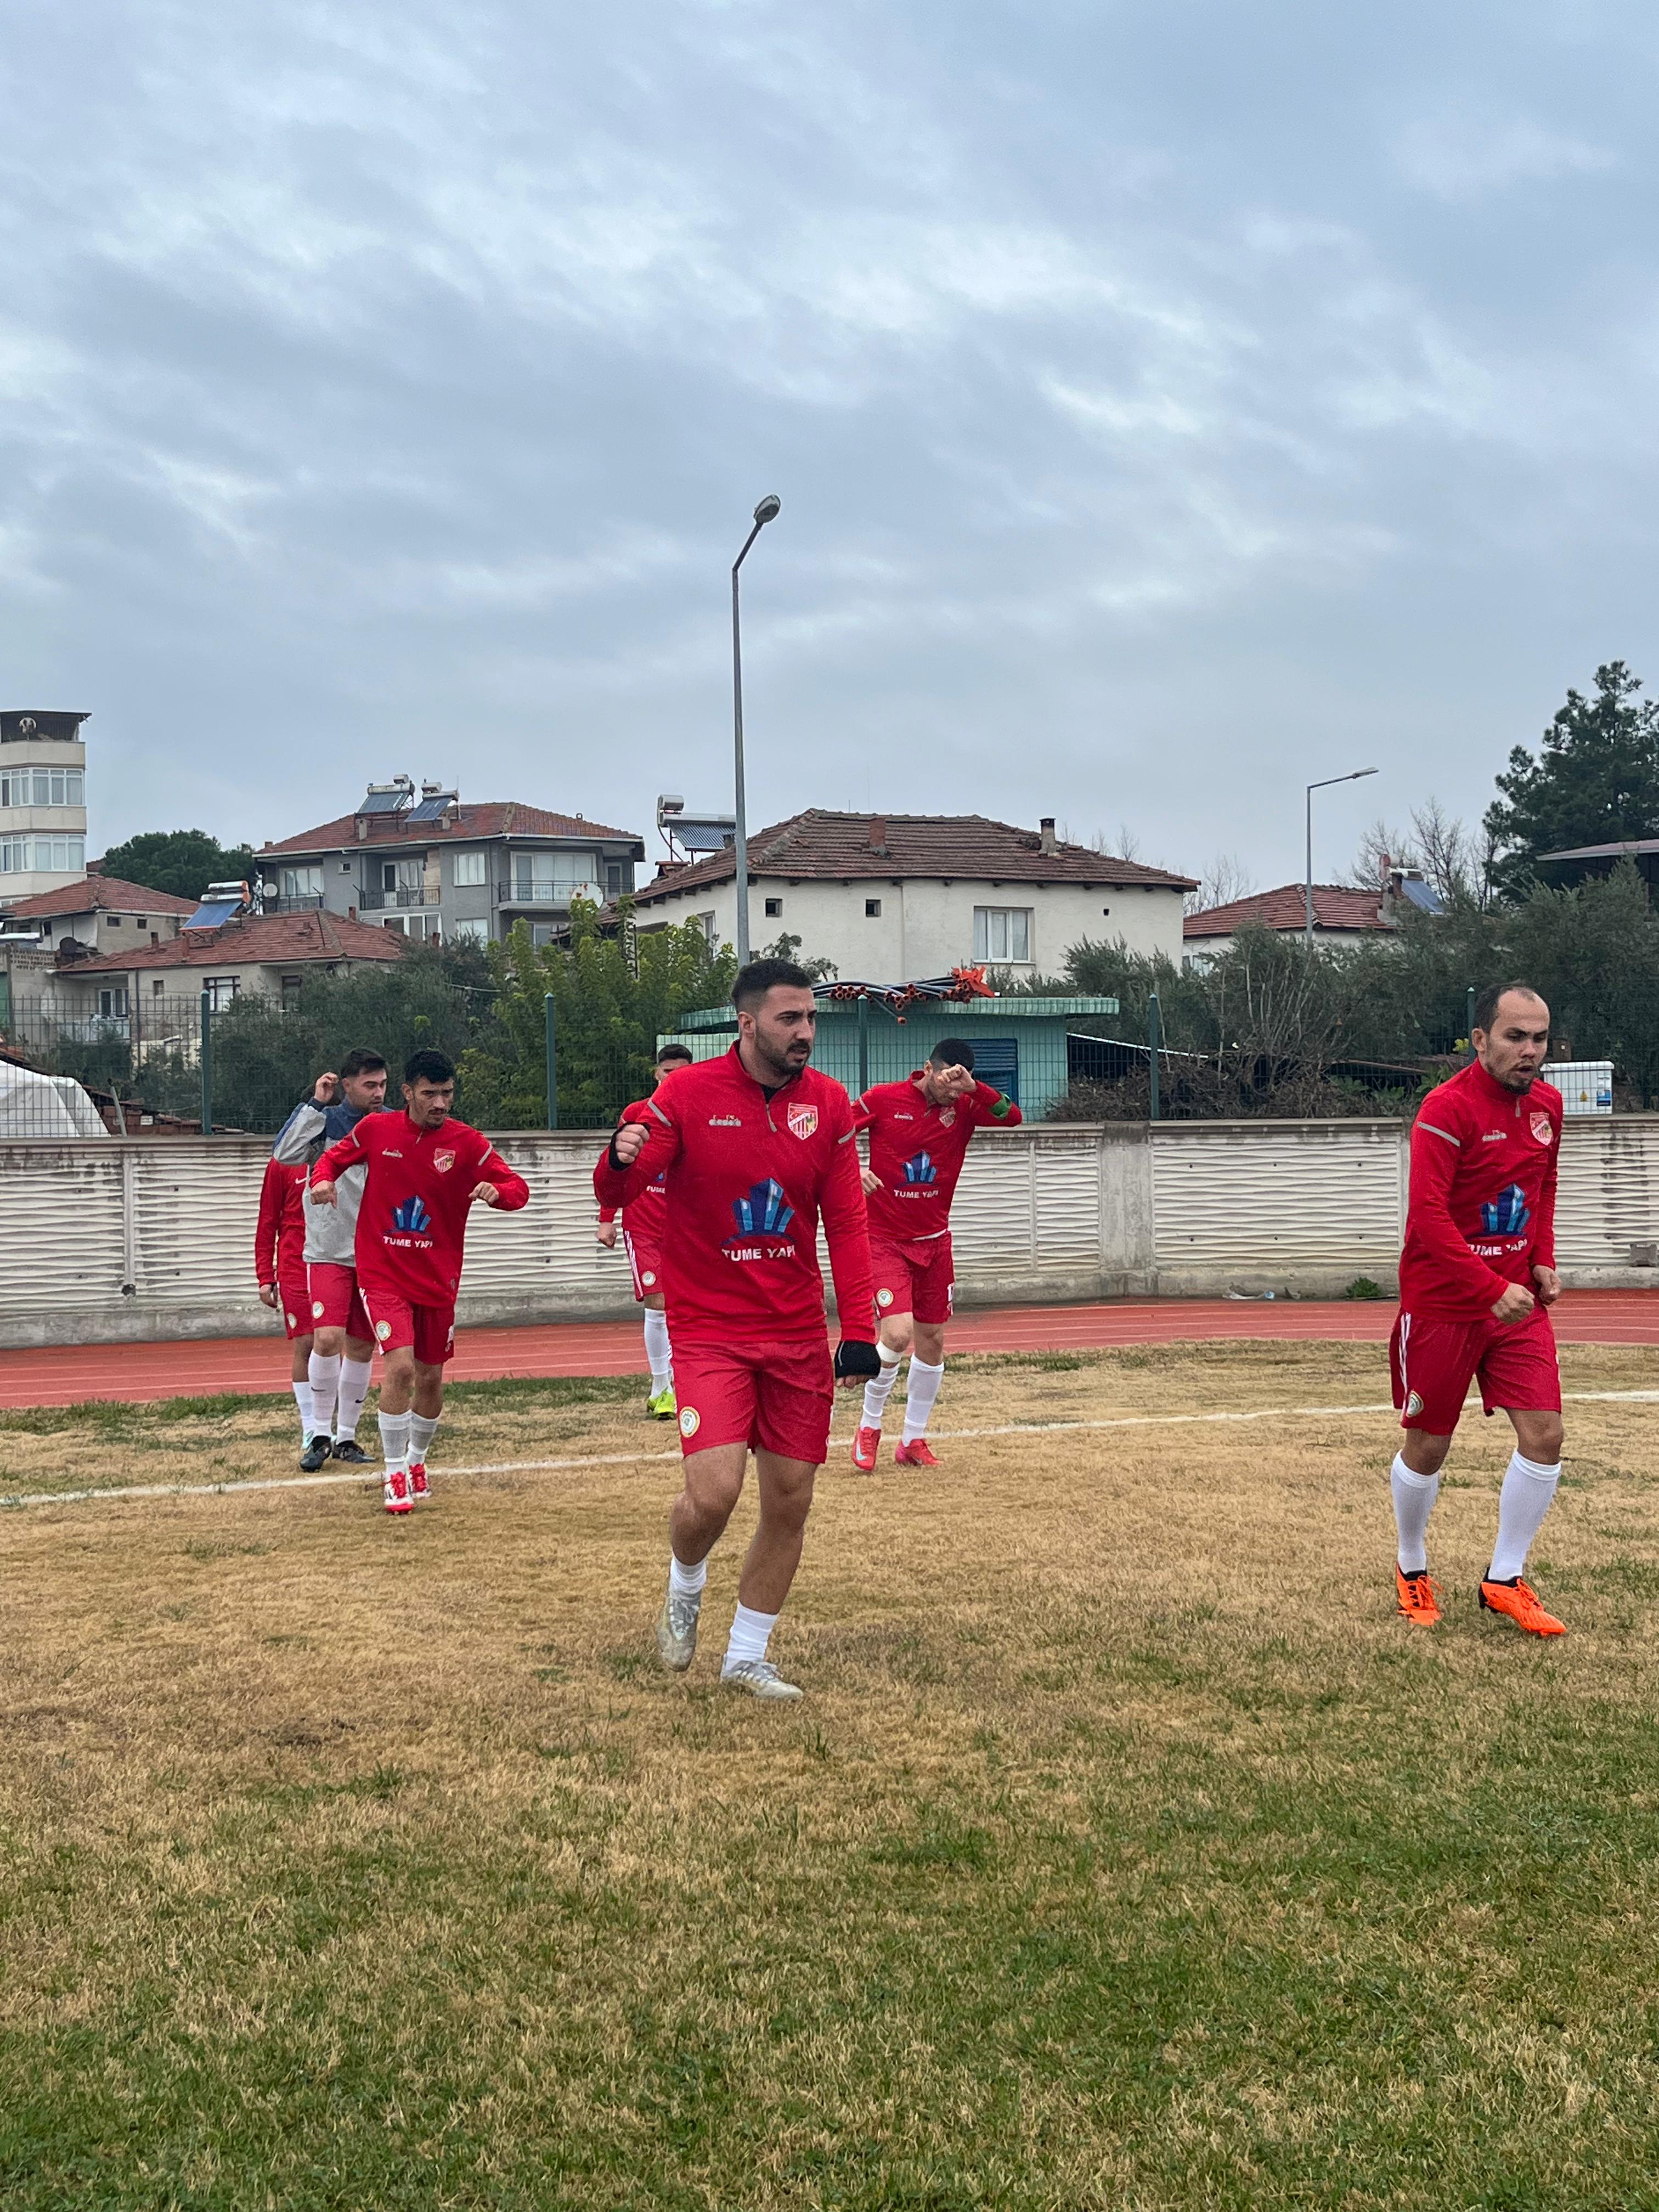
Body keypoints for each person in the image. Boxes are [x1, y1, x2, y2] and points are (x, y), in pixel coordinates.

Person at [594, 957, 879, 1700]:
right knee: (714, 1495)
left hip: (796, 1335)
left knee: (790, 1500)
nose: (806, 1032)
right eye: (790, 1019)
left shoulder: (830, 1104)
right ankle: (685, 1582)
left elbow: (848, 1222)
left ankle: (747, 1657)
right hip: (710, 1331)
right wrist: (618, 1157)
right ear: (748, 1024)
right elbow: (625, 1184)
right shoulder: (687, 1093)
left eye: (811, 1018)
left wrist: (858, 1327)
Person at [1389, 983, 1567, 1635]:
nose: (1530, 1051)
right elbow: (1428, 1217)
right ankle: (1411, 1566)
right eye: (1516, 1037)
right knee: (1428, 1448)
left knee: (1545, 1437)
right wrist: (1490, 1288)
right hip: (1444, 1303)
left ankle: (1504, 1579)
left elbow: (1543, 1187)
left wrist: (1541, 1258)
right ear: (1481, 1039)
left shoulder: (1548, 1105)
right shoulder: (1446, 1108)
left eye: (1539, 1038)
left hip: (1516, 1304)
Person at [311, 1047, 529, 1514]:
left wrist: (497, 1193)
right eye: (430, 1094)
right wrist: (321, 1182)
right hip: (382, 1274)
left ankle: (416, 1462)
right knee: (401, 1368)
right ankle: (393, 1474)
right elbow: (331, 1161)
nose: (440, 1104)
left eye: (447, 1093)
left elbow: (519, 1189)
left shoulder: (467, 1142)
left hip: (437, 1279)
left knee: (430, 1378)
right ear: (408, 1092)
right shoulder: (376, 1129)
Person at [849, 1037, 1022, 1471]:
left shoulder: (966, 1104)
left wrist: (974, 1088)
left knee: (933, 1340)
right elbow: (834, 1136)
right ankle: (869, 1427)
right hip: (883, 1239)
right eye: (947, 1080)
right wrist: (853, 1169)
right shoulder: (884, 1099)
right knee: (896, 1334)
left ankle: (913, 1440)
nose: (951, 1091)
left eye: (959, 1083)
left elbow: (1013, 1116)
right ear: (928, 1068)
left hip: (935, 1241)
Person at [273, 1049, 390, 1471]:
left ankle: (347, 1438)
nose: (378, 1093)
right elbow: (285, 1153)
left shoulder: (391, 1124)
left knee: (362, 1345)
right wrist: (315, 1103)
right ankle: (319, 1435)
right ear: (347, 1085)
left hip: (377, 1254)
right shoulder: (324, 1122)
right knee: (326, 1339)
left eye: (383, 1085)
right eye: (369, 1085)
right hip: (328, 1251)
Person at [596, 1041, 695, 1419]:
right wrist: (607, 1218)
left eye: (682, 1073)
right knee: (658, 1304)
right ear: (657, 1074)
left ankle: (684, 1383)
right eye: (668, 1072)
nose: (674, 1079)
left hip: (686, 1229)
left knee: (687, 1308)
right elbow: (616, 1167)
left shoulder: (700, 1116)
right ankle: (662, 1388)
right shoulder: (636, 1114)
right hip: (644, 1227)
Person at [254, 1152, 315, 1447]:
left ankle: (338, 1427)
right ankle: (311, 1427)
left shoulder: (342, 1152)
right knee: (307, 1343)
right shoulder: (282, 1163)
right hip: (295, 1266)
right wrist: (265, 1275)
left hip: (337, 1262)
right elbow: (268, 1220)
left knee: (332, 1343)